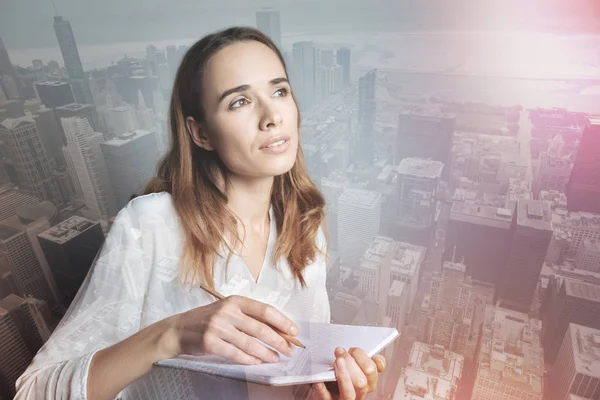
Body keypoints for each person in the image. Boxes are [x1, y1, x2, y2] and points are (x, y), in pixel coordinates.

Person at [14, 26, 386, 400]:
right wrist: (171, 335)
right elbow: (32, 392)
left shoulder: (308, 228)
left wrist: (332, 389)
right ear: (201, 133)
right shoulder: (149, 225)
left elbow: (301, 376)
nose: (272, 115)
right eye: (239, 101)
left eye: (279, 91)